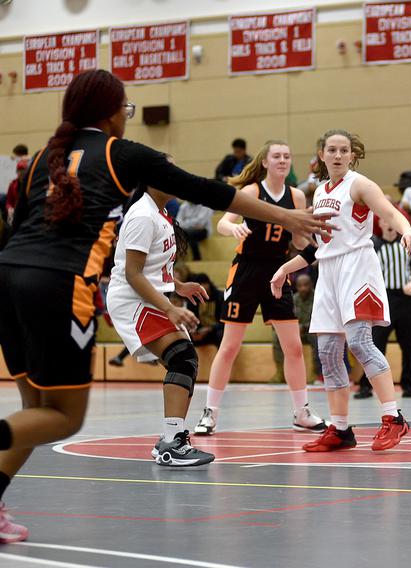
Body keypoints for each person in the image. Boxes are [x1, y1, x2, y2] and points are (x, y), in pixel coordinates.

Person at [0, 69, 334, 542]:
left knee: (33, 412)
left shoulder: (41, 161)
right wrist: (287, 215)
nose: (127, 116)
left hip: (8, 281)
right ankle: (173, 438)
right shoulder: (124, 155)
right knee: (64, 417)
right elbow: (211, 190)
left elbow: (16, 232)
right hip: (58, 286)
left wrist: (176, 288)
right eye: (126, 108)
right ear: (112, 112)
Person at [270, 128, 411, 452]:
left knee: (360, 343)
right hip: (328, 271)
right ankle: (340, 429)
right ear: (322, 154)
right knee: (326, 352)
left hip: (357, 267)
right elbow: (317, 248)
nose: (338, 155)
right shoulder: (320, 191)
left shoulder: (361, 184)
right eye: (332, 150)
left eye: (344, 150)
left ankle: (393, 418)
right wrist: (284, 268)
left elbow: (390, 212)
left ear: (353, 155)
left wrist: (407, 229)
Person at [193, 140, 327, 437]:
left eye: (287, 156)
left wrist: (312, 240)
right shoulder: (252, 192)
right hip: (246, 271)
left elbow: (300, 243)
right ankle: (210, 413)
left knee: (293, 346)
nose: (283, 160)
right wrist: (235, 228)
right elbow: (222, 224)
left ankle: (301, 411)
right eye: (277, 156)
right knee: (229, 346)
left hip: (277, 271)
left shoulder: (296, 196)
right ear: (265, 162)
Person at [107, 179, 214, 466]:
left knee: (185, 362)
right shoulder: (143, 215)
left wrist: (178, 286)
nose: (172, 174)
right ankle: (171, 444)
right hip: (132, 299)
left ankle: (172, 438)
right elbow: (133, 273)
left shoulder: (160, 212)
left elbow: (153, 268)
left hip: (150, 296)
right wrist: (170, 308)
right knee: (182, 358)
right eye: (165, 170)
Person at [355, 216, 411, 399]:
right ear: (380, 223)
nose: (389, 224)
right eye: (386, 221)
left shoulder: (407, 243)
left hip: (406, 299)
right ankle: (366, 385)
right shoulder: (373, 245)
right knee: (375, 344)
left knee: (408, 344)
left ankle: (409, 386)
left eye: (391, 221)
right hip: (383, 299)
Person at [188, 273, 224, 347]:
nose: (202, 287)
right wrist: (193, 331)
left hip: (215, 331)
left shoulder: (220, 297)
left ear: (208, 284)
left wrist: (210, 329)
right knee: (185, 336)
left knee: (221, 334)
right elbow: (191, 320)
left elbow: (225, 322)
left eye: (203, 284)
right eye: (199, 285)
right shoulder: (193, 300)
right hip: (200, 332)